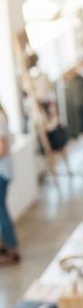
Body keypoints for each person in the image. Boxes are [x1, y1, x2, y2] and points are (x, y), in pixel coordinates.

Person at [0, 103, 20, 266]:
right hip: (4, 170)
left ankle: (12, 249)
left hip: (2, 172)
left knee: (1, 210)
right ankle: (8, 244)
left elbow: (2, 149)